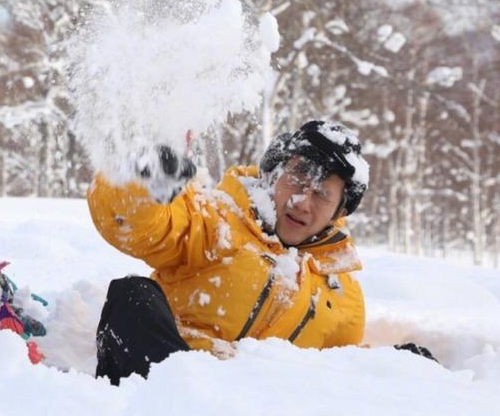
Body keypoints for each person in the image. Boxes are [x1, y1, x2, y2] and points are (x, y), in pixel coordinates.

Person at [88, 120, 370, 385]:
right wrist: (144, 183)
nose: (302, 202)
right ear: (273, 173)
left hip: (257, 403)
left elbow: (345, 375)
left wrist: (401, 361)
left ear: (340, 211)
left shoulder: (344, 295)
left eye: (322, 194)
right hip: (172, 383)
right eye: (297, 178)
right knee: (133, 296)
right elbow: (134, 226)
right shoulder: (216, 219)